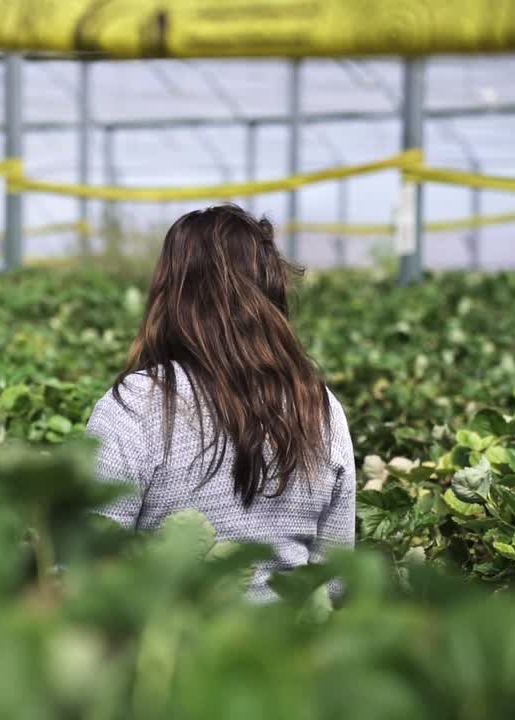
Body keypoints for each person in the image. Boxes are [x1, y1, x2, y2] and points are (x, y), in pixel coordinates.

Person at [85, 203, 355, 602]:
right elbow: (334, 580)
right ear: (271, 291)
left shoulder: (134, 406)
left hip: (167, 654)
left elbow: (87, 570)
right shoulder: (320, 408)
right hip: (294, 653)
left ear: (170, 293)